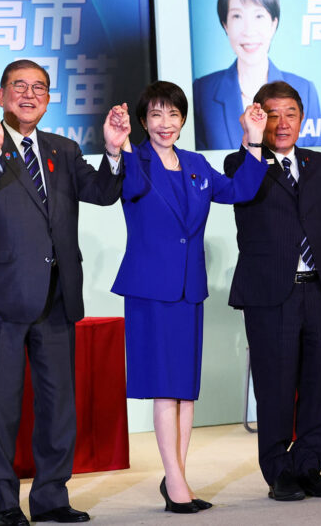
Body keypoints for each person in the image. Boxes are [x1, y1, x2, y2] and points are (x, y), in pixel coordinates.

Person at [0, 59, 128, 526]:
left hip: (56, 297)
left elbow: (102, 192)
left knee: (58, 407)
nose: (29, 94)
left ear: (50, 99)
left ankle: (51, 497)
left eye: (39, 87)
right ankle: (2, 504)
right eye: (19, 86)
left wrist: (113, 150)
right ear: (1, 95)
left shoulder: (63, 149)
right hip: (0, 297)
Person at [110, 82, 268, 514]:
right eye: (156, 115)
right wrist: (118, 145)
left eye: (173, 114)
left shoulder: (196, 164)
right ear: (143, 121)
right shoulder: (135, 161)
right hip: (150, 290)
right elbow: (125, 186)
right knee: (165, 389)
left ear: (183, 120)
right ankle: (177, 482)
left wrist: (254, 139)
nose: (166, 123)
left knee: (184, 391)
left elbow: (240, 190)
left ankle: (176, 476)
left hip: (189, 290)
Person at [225, 81, 321, 501]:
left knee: (316, 385)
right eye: (272, 114)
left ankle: (310, 465)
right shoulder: (242, 161)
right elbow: (241, 184)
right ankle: (279, 471)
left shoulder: (317, 163)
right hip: (270, 294)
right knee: (275, 386)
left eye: (290, 113)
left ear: (302, 119)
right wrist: (251, 140)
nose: (282, 123)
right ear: (257, 118)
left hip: (318, 289)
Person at [193, 0, 321, 150]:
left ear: (273, 24)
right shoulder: (202, 91)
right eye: (237, 16)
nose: (249, 30)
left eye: (259, 16)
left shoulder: (304, 90)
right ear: (225, 25)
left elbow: (318, 159)